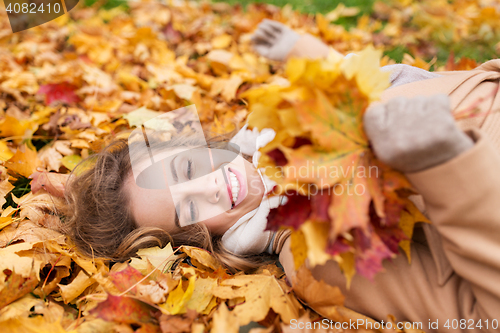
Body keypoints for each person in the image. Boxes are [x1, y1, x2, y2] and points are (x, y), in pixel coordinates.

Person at [62, 19, 500, 332]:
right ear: (200, 244)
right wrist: (446, 167)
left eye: (189, 168)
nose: (210, 186)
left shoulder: (289, 112)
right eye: (190, 208)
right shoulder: (317, 260)